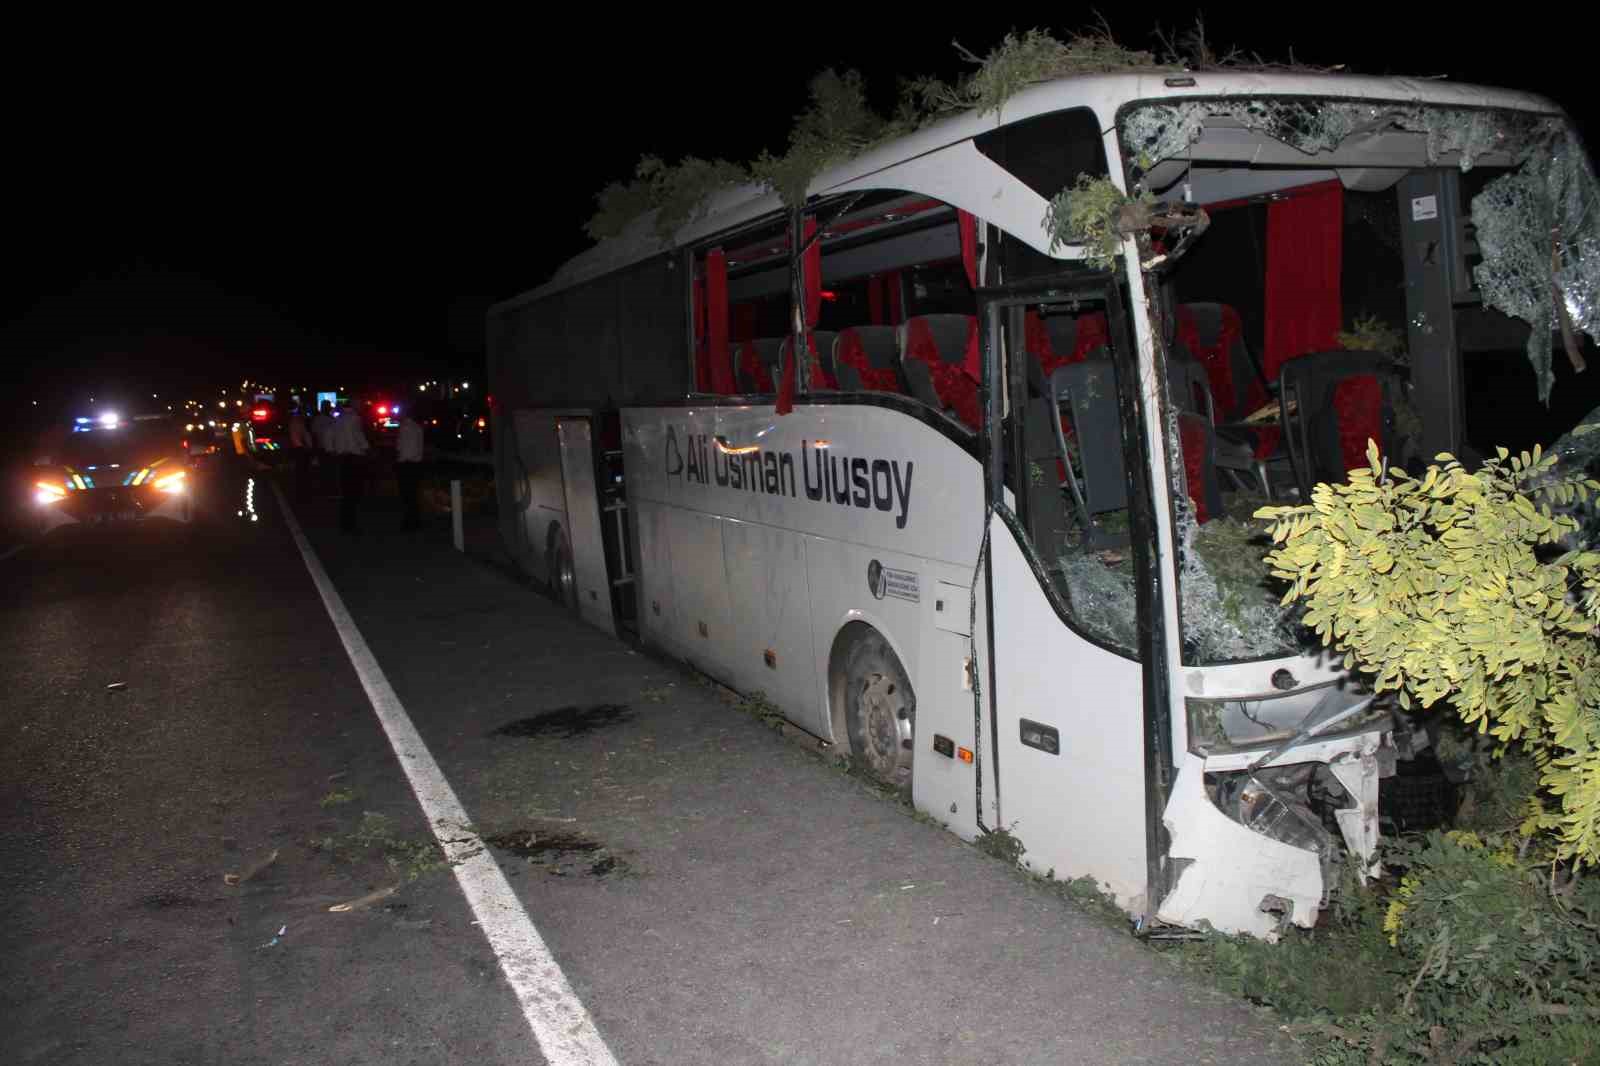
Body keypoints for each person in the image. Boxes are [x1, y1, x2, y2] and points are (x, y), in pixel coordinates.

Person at [327, 400, 370, 533]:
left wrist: (332, 449)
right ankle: (351, 523)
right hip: (354, 457)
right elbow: (358, 436)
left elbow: (329, 436)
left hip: (342, 457)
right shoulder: (355, 418)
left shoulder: (338, 419)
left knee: (346, 491)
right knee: (354, 491)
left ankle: (345, 523)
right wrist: (367, 448)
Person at [395, 411, 425, 531]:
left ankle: (409, 522)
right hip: (415, 464)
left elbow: (400, 447)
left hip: (405, 464)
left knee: (406, 495)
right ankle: (415, 521)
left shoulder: (404, 428)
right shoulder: (418, 428)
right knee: (413, 494)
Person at [288, 405, 313, 501]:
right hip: (300, 449)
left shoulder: (298, 421)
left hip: (301, 448)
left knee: (302, 472)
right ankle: (301, 494)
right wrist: (305, 447)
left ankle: (302, 493)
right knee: (302, 472)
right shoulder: (297, 421)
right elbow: (297, 437)